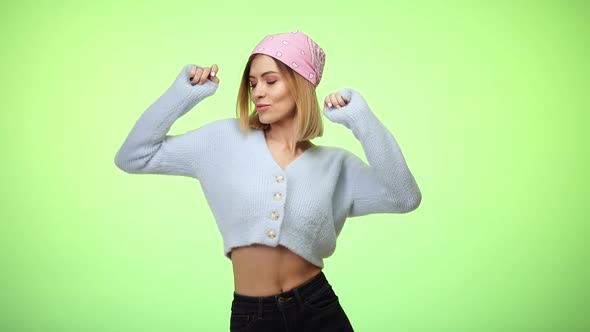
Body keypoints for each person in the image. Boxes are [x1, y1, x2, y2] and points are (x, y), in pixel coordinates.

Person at [114, 30, 421, 331]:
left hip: (319, 307)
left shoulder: (336, 165)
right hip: (253, 316)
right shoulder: (222, 140)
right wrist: (182, 95)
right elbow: (133, 156)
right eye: (252, 83)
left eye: (270, 80)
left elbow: (404, 197)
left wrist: (360, 119)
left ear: (301, 85)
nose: (257, 91)